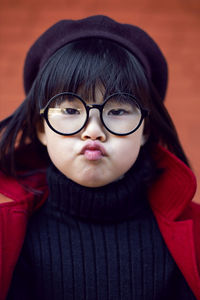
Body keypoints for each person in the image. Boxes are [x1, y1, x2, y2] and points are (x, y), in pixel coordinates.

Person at [0, 15, 199, 300]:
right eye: (70, 111)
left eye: (117, 111)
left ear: (145, 129)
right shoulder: (7, 239)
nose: (93, 131)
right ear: (40, 128)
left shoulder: (194, 238)